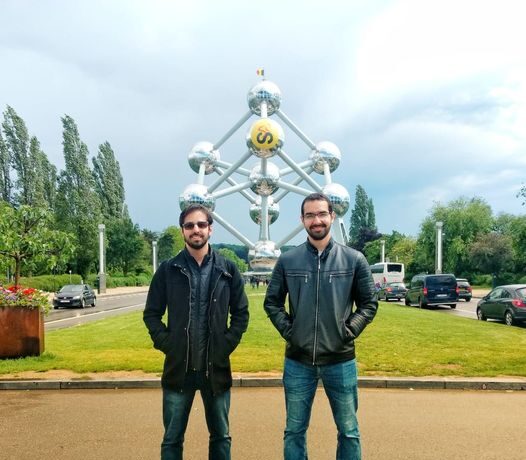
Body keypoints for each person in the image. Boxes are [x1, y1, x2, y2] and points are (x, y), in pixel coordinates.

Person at [264, 192, 378, 460]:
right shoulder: (288, 260)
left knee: (348, 431)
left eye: (322, 214)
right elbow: (272, 302)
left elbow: (369, 304)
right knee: (294, 431)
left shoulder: (354, 260)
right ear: (302, 220)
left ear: (332, 216)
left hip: (340, 360)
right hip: (298, 361)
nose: (317, 220)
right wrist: (291, 332)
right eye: (310, 215)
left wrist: (347, 331)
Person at [143, 204, 249, 460]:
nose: (196, 230)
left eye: (201, 224)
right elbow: (152, 314)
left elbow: (241, 314)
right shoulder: (168, 270)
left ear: (210, 229)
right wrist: (169, 344)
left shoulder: (227, 269)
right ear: (183, 231)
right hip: (179, 369)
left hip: (216, 369)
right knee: (172, 439)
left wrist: (225, 345)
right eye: (189, 225)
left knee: (221, 437)